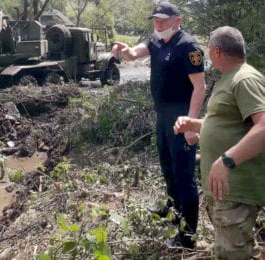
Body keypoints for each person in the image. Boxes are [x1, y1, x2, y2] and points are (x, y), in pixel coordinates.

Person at [112, 2, 206, 248]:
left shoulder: (188, 46)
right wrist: (124, 49)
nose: (159, 24)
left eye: (163, 20)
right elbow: (134, 53)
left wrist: (192, 125)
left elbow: (200, 87)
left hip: (181, 118)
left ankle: (188, 237)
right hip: (162, 116)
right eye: (155, 20)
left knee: (185, 176)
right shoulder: (155, 40)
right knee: (167, 166)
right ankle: (173, 210)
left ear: (178, 20)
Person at [174, 26, 265, 259]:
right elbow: (228, 126)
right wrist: (194, 124)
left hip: (237, 189)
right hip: (225, 194)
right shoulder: (229, 79)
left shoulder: (245, 79)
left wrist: (226, 161)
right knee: (234, 251)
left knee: (235, 255)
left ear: (216, 51)